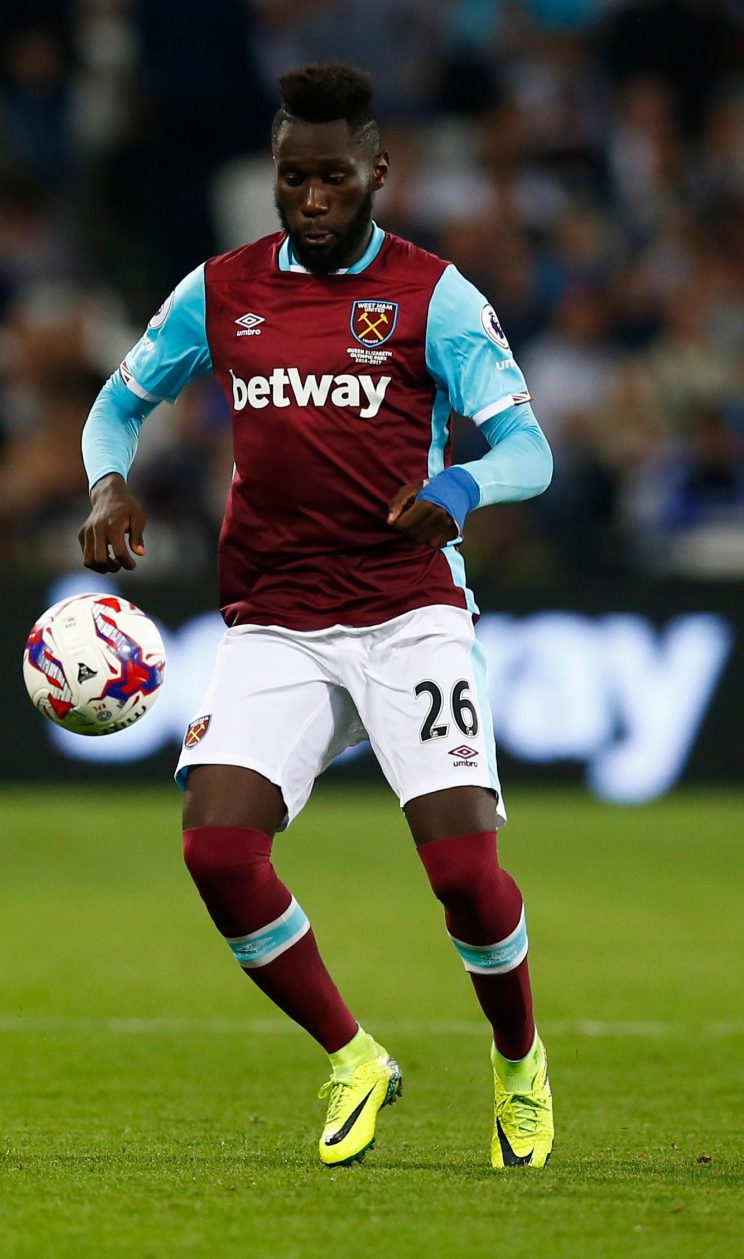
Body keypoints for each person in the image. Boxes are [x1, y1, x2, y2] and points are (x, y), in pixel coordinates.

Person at [79, 62, 555, 1170]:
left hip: (407, 612)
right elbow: (117, 404)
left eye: (333, 177)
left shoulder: (434, 297)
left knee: (463, 876)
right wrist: (107, 482)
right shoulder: (221, 290)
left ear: (378, 171)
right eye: (292, 177)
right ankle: (353, 1056)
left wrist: (459, 486)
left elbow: (527, 447)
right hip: (276, 620)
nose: (310, 198)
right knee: (217, 851)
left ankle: (519, 1062)